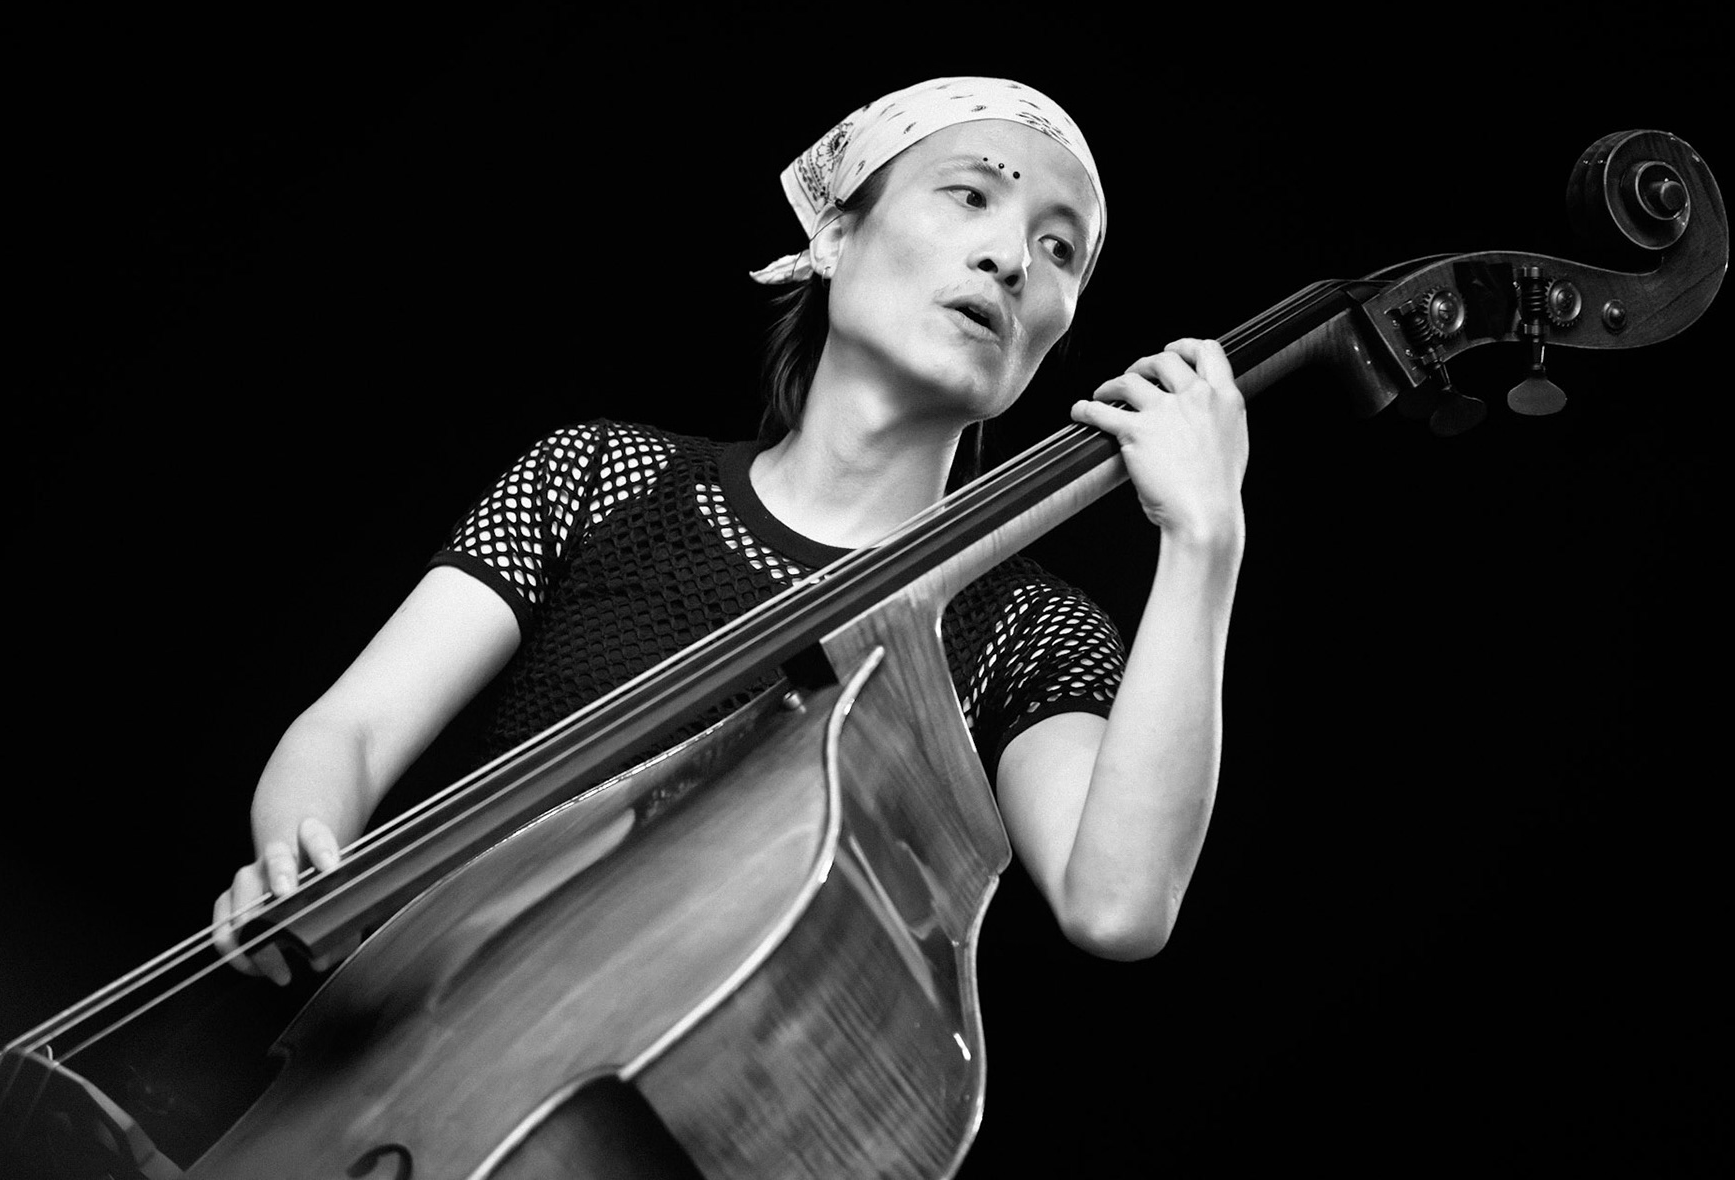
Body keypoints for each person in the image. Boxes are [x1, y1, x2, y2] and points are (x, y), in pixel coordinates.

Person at [210, 76, 1248, 983]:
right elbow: (347, 733)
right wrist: (306, 866)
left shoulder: (1025, 632)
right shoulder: (597, 475)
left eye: (1059, 248)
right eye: (969, 195)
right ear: (834, 237)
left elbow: (1116, 904)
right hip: (405, 1034)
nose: (1012, 256)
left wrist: (1206, 540)